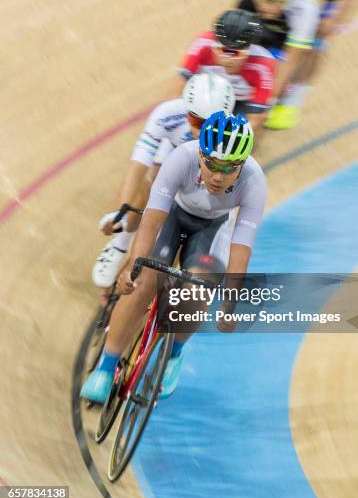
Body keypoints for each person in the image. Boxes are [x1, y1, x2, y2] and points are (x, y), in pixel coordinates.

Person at [81, 111, 267, 402]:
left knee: (198, 291)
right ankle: (105, 368)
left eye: (230, 168)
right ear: (201, 154)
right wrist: (134, 264)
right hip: (172, 217)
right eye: (212, 164)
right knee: (142, 282)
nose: (219, 176)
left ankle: (174, 355)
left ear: (242, 164)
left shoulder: (255, 181)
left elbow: (242, 245)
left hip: (212, 229)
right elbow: (153, 220)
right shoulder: (182, 157)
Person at [92, 73, 236, 289]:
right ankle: (120, 245)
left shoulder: (235, 133)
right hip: (171, 156)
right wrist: (122, 214)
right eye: (195, 120)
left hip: (205, 169)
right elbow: (137, 167)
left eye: (210, 125)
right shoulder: (167, 114)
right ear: (186, 110)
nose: (201, 131)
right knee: (150, 180)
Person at [236, 0, 320, 129]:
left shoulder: (305, 8)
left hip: (287, 42)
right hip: (263, 35)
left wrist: (267, 102)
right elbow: (232, 33)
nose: (263, 6)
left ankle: (290, 102)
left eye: (272, 1)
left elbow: (292, 59)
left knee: (314, 53)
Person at [166, 9, 275, 131]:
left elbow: (255, 118)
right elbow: (177, 90)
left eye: (236, 53)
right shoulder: (203, 44)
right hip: (206, 94)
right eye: (224, 50)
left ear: (250, 50)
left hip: (240, 103)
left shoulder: (262, 64)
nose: (229, 59)